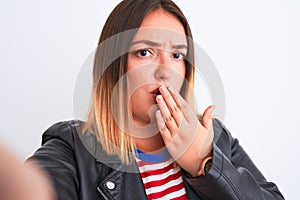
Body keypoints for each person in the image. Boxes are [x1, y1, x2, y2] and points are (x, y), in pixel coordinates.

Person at [28, 0, 284, 199]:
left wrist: (205, 164)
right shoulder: (73, 149)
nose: (165, 70)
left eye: (177, 55)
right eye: (145, 52)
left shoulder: (213, 137)